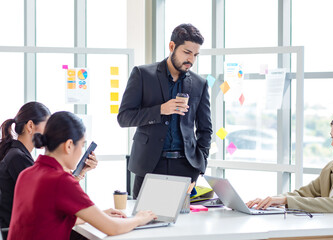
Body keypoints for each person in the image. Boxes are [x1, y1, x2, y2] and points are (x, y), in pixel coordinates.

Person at [7, 111, 156, 240]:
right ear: (69, 145)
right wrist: (139, 219)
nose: (82, 152)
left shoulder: (27, 174)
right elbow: (113, 228)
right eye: (82, 145)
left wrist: (100, 215)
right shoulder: (61, 180)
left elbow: (51, 218)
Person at [117, 23, 212, 199]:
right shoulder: (142, 74)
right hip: (149, 165)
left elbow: (205, 129)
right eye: (187, 52)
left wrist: (200, 164)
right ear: (171, 46)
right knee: (144, 221)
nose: (191, 60)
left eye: (195, 55)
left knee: (185, 225)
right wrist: (160, 110)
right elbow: (124, 118)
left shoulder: (200, 83)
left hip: (186, 167)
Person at [246, 112, 333, 216]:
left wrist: (285, 201)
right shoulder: (332, 167)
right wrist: (273, 200)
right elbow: (305, 193)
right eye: (332, 137)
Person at [0, 102, 97, 237]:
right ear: (30, 126)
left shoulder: (18, 154)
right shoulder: (18, 158)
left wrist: (80, 172)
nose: (50, 133)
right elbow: (51, 199)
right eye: (48, 126)